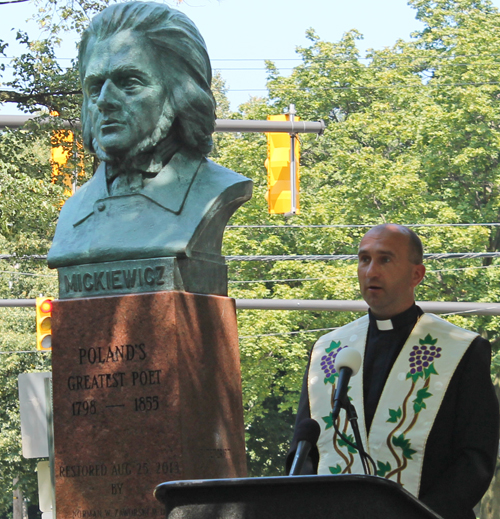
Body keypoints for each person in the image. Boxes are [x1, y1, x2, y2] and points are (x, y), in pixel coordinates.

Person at [286, 224, 499, 519]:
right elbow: (305, 449)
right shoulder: (328, 349)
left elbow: (475, 459)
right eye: (364, 259)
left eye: (385, 259)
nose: (371, 271)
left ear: (417, 275)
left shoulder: (461, 350)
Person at [47, 2, 252, 269]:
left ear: (181, 92)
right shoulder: (73, 211)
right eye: (95, 87)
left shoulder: (217, 190)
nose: (105, 101)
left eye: (129, 82)